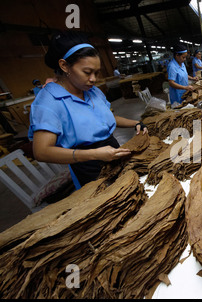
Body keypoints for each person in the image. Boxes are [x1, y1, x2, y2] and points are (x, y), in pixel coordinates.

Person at [28, 31, 148, 190]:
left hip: (113, 153)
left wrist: (136, 123)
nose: (93, 79)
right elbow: (42, 152)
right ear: (64, 66)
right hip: (87, 167)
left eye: (96, 72)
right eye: (87, 72)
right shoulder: (48, 101)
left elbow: (107, 118)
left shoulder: (92, 91)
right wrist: (95, 154)